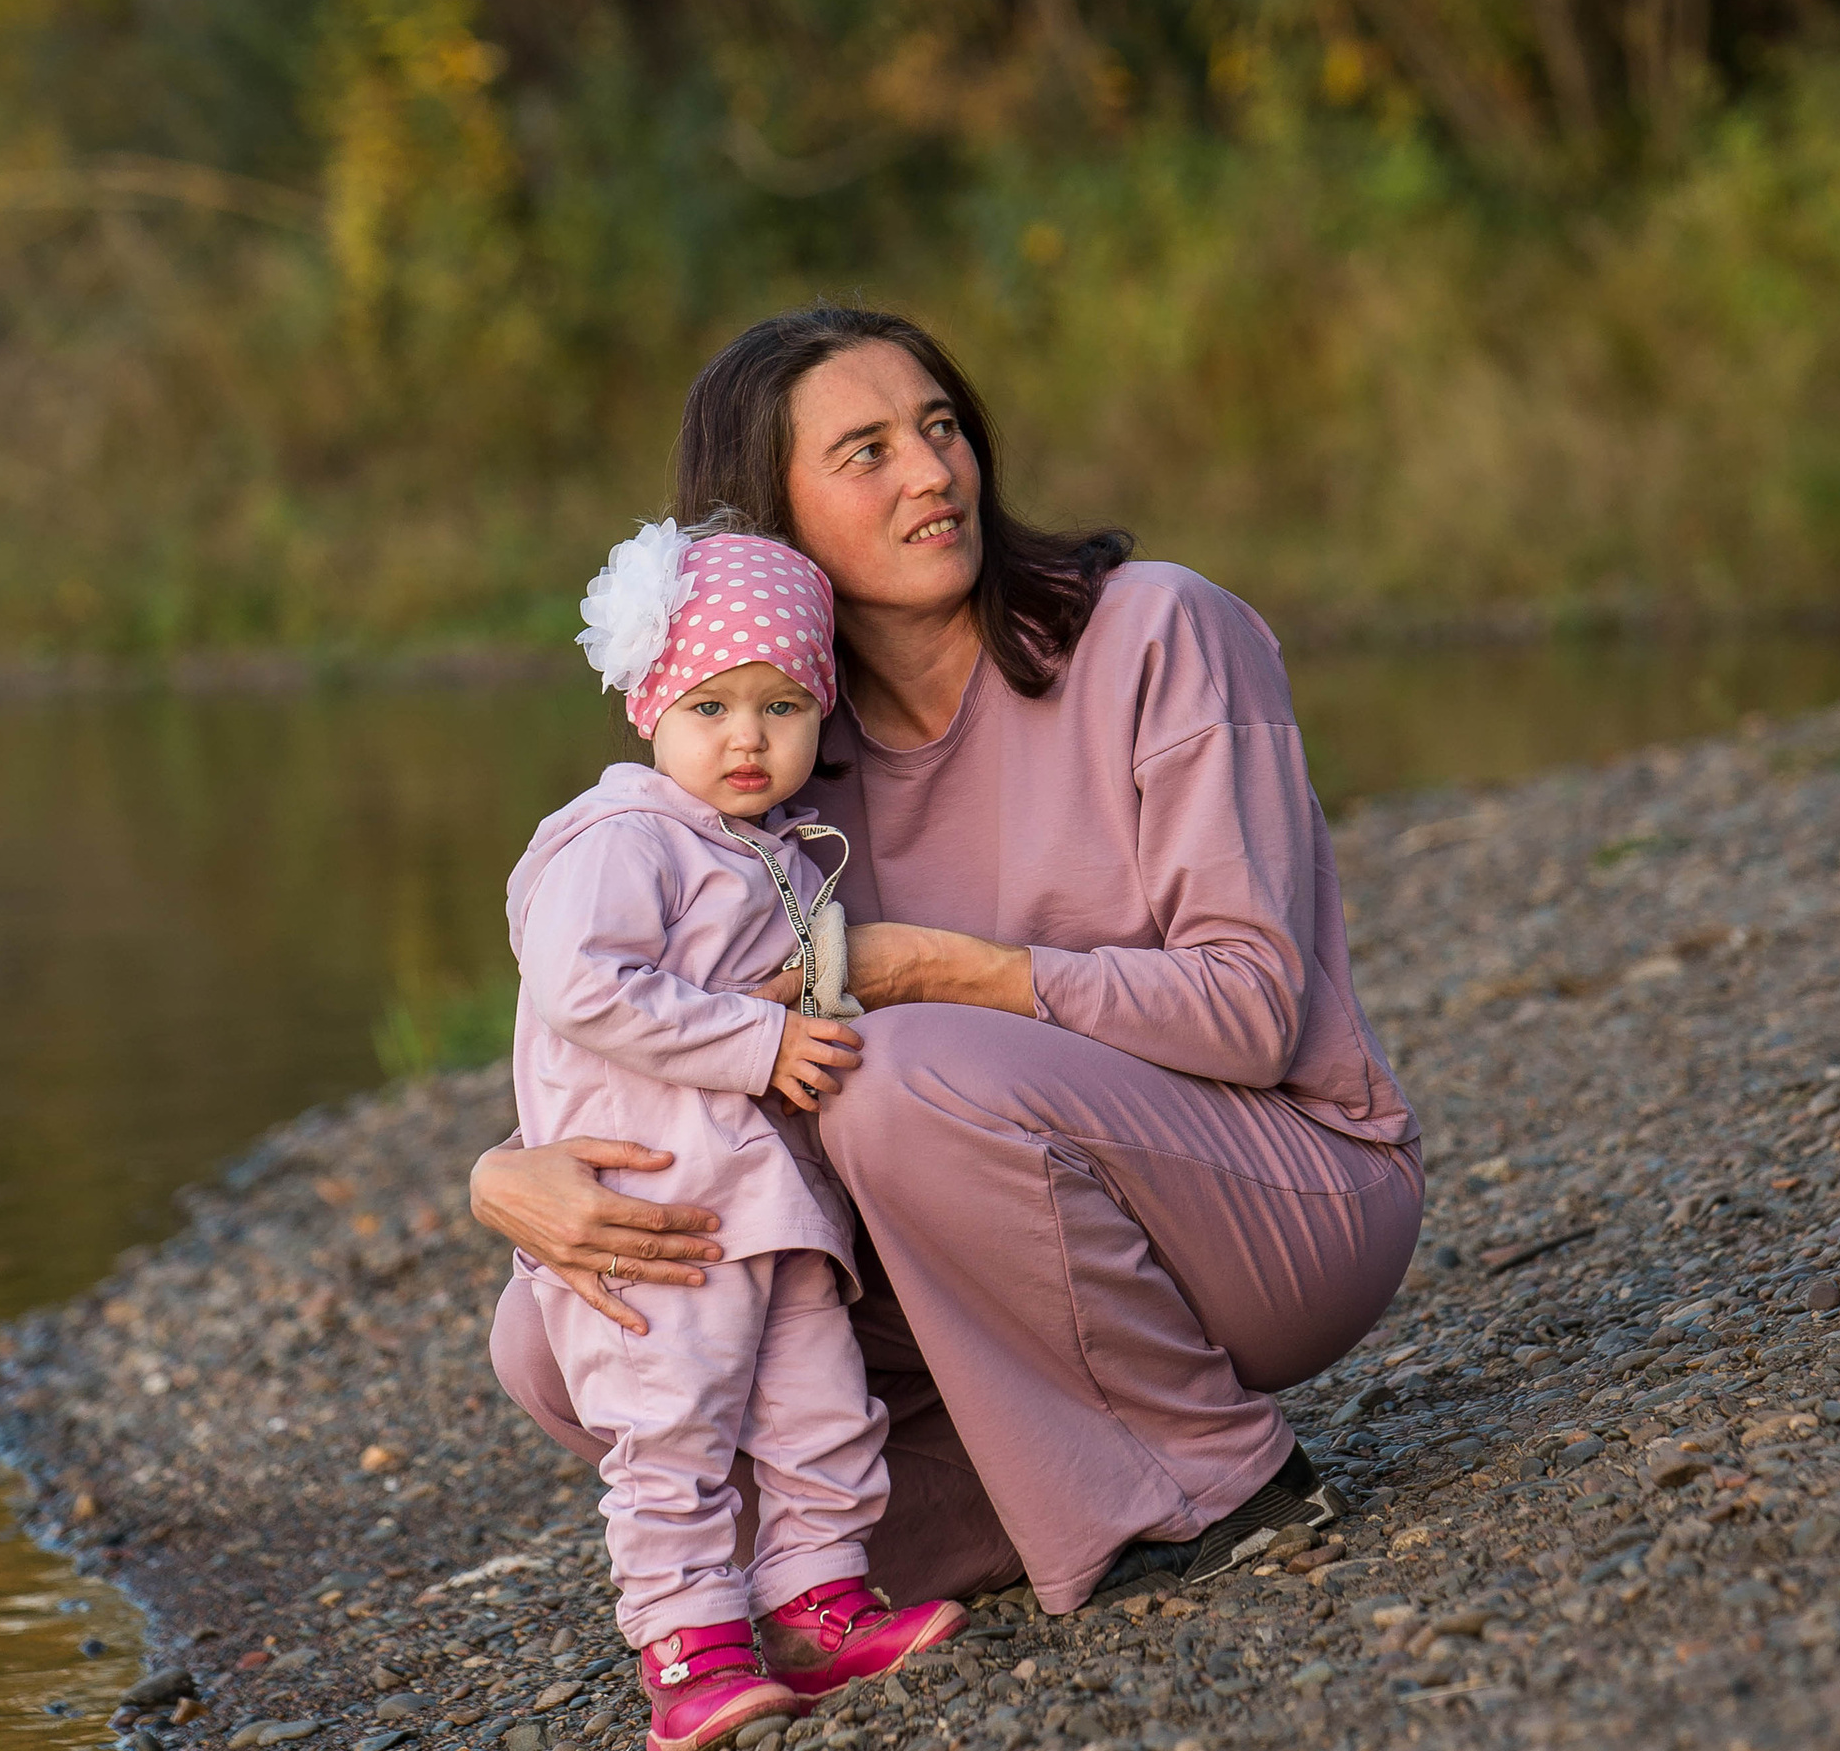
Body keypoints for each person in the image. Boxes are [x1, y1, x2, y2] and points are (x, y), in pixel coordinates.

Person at [476, 305, 1424, 1616]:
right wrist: (508, 1175)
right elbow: (665, 1029)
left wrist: (937, 966)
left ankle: (1221, 1473)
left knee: (892, 1070)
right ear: (772, 526)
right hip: (983, 1257)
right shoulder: (771, 770)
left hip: (1281, 1195)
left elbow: (1256, 1014)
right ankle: (998, 1502)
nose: (933, 472)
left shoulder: (1158, 634)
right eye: (866, 451)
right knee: (562, 1326)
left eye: (939, 428)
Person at [509, 514, 966, 1751]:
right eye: (711, 706)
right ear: (651, 706)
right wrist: (760, 1044)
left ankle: (819, 1603)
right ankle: (687, 1650)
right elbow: (586, 987)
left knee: (818, 1407)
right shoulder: (621, 840)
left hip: (767, 1199)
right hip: (653, 1206)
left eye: (781, 705)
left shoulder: (761, 850)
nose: (749, 737)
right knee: (672, 1426)